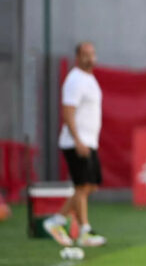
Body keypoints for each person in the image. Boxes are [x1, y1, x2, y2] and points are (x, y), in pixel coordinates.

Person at [43, 42, 106, 248]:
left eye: (92, 53)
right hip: (76, 141)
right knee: (81, 186)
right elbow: (68, 111)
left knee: (90, 186)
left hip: (89, 141)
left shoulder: (90, 79)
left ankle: (57, 220)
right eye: (85, 54)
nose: (90, 58)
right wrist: (77, 139)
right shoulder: (75, 80)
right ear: (77, 57)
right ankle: (84, 231)